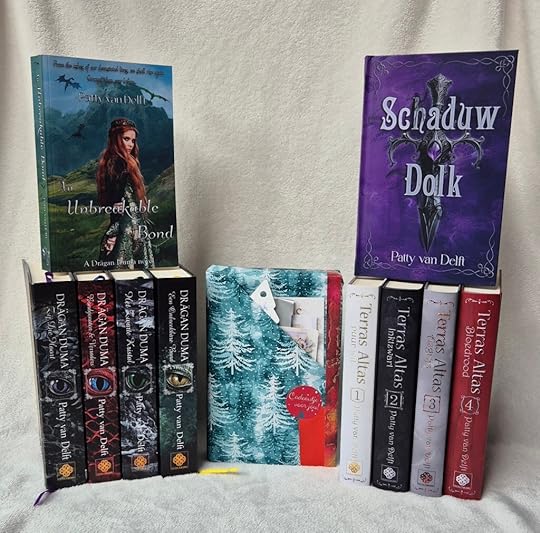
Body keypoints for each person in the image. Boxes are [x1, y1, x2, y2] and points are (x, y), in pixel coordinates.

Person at [96, 118, 155, 268]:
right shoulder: (118, 163)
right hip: (128, 227)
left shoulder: (115, 161)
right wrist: (114, 232)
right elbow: (117, 202)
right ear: (115, 139)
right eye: (126, 139)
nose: (130, 144)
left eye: (133, 141)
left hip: (131, 226)